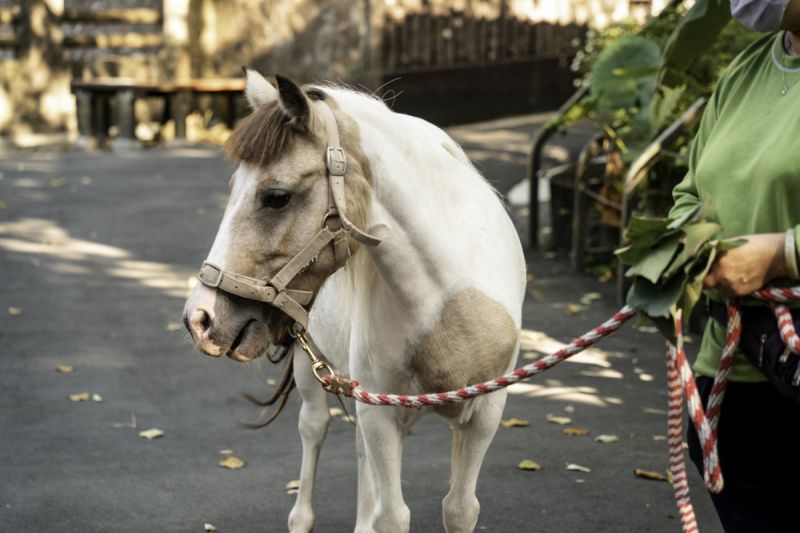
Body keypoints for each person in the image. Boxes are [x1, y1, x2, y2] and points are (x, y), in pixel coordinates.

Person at [668, 1, 800, 531]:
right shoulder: (748, 69)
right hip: (732, 366)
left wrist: (780, 255)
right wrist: (686, 247)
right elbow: (689, 190)